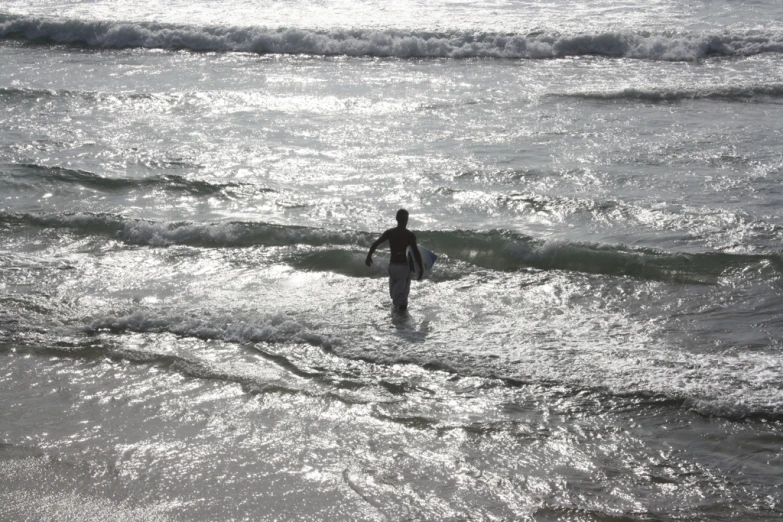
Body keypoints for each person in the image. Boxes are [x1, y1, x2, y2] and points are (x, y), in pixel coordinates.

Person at [365, 209, 423, 311]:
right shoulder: (409, 235)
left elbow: (376, 243)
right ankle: (401, 321)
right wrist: (421, 268)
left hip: (392, 267)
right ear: (407, 220)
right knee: (402, 296)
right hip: (404, 268)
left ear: (396, 219)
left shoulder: (390, 232)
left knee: (395, 293)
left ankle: (397, 317)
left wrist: (369, 256)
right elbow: (416, 253)